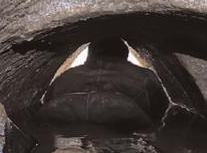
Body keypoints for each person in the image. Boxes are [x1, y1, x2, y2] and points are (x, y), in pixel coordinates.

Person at [39, 37, 169, 133]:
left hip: (60, 115)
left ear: (89, 54)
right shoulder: (145, 76)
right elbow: (161, 113)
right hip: (124, 120)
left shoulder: (65, 76)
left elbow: (46, 101)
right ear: (125, 54)